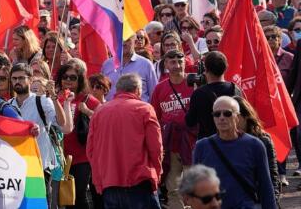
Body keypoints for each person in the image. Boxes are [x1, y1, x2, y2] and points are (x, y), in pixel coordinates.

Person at [87, 73, 163, 208]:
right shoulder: (144, 109)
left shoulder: (99, 112)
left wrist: (99, 181)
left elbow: (91, 151)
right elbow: (155, 147)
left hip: (110, 183)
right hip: (139, 182)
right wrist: (157, 172)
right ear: (138, 90)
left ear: (117, 90)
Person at [192, 96, 276, 209]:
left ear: (237, 117)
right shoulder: (202, 146)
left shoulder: (255, 145)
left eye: (227, 113)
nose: (221, 117)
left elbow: (266, 186)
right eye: (217, 114)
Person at [7, 63, 61, 204]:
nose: (17, 82)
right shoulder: (8, 105)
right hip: (16, 167)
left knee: (39, 204)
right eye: (14, 79)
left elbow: (61, 123)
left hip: (40, 166)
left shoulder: (42, 101)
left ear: (30, 80)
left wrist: (55, 97)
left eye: (21, 78)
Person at [149, 50, 196, 209]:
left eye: (179, 61)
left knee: (194, 182)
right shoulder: (160, 88)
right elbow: (154, 115)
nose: (176, 65)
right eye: (172, 62)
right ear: (166, 65)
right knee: (173, 185)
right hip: (170, 142)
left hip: (192, 142)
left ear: (185, 62)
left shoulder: (194, 83)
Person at [56, 60, 100, 209]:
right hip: (59, 157)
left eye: (73, 77)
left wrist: (87, 111)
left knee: (78, 196)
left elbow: (104, 120)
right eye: (65, 76)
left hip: (82, 158)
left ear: (80, 80)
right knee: (64, 198)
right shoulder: (54, 99)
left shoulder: (88, 99)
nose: (68, 80)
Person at [185, 51, 242, 139]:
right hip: (232, 141)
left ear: (206, 69)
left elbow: (190, 122)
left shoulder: (199, 93)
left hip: (208, 144)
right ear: (225, 68)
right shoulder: (235, 89)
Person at [233, 96, 281, 195]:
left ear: (246, 116)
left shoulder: (263, 140)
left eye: (235, 116)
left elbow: (272, 176)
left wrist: (272, 201)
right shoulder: (219, 142)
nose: (230, 120)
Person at [101, 35, 157, 102]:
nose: (123, 43)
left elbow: (155, 95)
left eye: (127, 40)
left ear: (135, 42)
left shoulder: (146, 65)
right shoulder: (107, 65)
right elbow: (101, 92)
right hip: (111, 111)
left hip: (138, 111)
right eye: (120, 40)